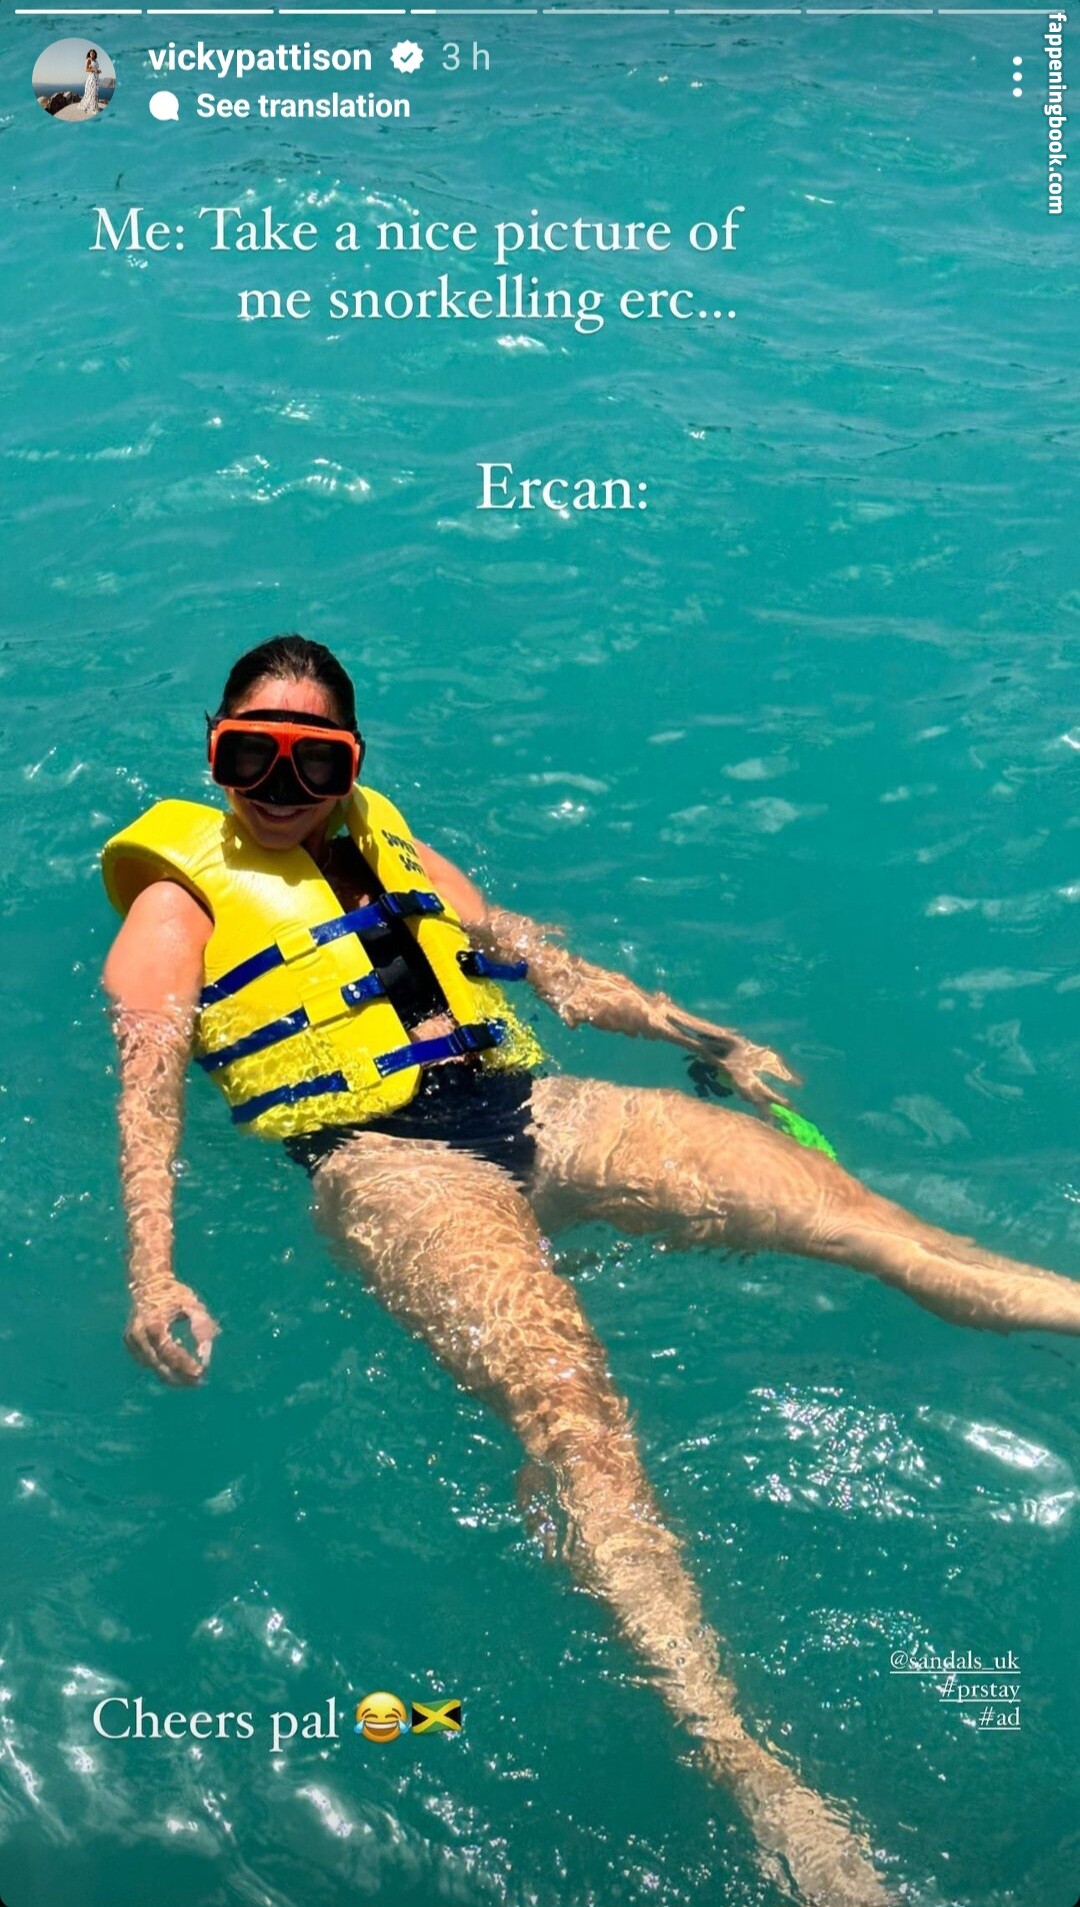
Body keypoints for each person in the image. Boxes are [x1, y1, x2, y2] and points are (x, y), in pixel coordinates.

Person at [101, 634, 1080, 1907]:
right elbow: (147, 1090)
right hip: (391, 1164)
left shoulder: (388, 842)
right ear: (213, 749)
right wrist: (154, 1267)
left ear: (353, 763)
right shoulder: (174, 901)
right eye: (252, 755)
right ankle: (752, 1771)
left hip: (537, 1108)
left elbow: (530, 958)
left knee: (860, 1218)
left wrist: (702, 1034)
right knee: (575, 1416)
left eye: (314, 760)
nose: (282, 786)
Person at [80, 48, 102, 116]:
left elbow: (96, 68)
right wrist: (94, 70)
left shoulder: (96, 60)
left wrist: (98, 71)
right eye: (91, 53)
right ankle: (93, 108)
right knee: (92, 92)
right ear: (89, 54)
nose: (92, 54)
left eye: (93, 53)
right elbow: (86, 69)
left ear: (95, 54)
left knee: (95, 92)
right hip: (92, 78)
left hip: (96, 78)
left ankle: (94, 107)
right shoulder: (88, 60)